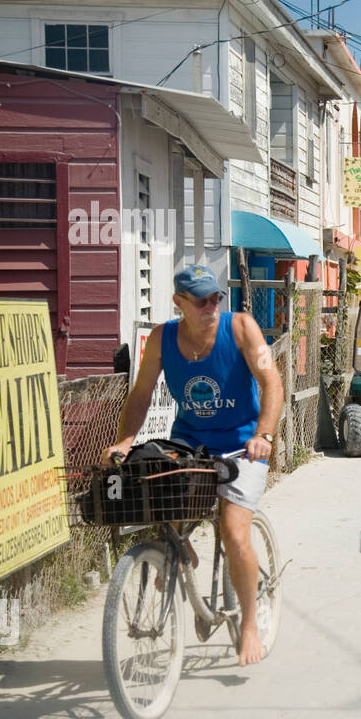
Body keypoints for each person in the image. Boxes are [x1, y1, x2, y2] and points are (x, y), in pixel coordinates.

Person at [103, 265, 283, 666]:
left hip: (242, 445)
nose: (211, 306)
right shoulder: (163, 337)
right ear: (178, 303)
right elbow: (141, 394)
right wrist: (126, 439)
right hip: (191, 440)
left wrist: (264, 435)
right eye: (201, 300)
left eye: (215, 297)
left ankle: (250, 625)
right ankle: (180, 547)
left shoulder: (241, 328)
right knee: (153, 488)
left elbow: (272, 382)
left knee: (235, 533)